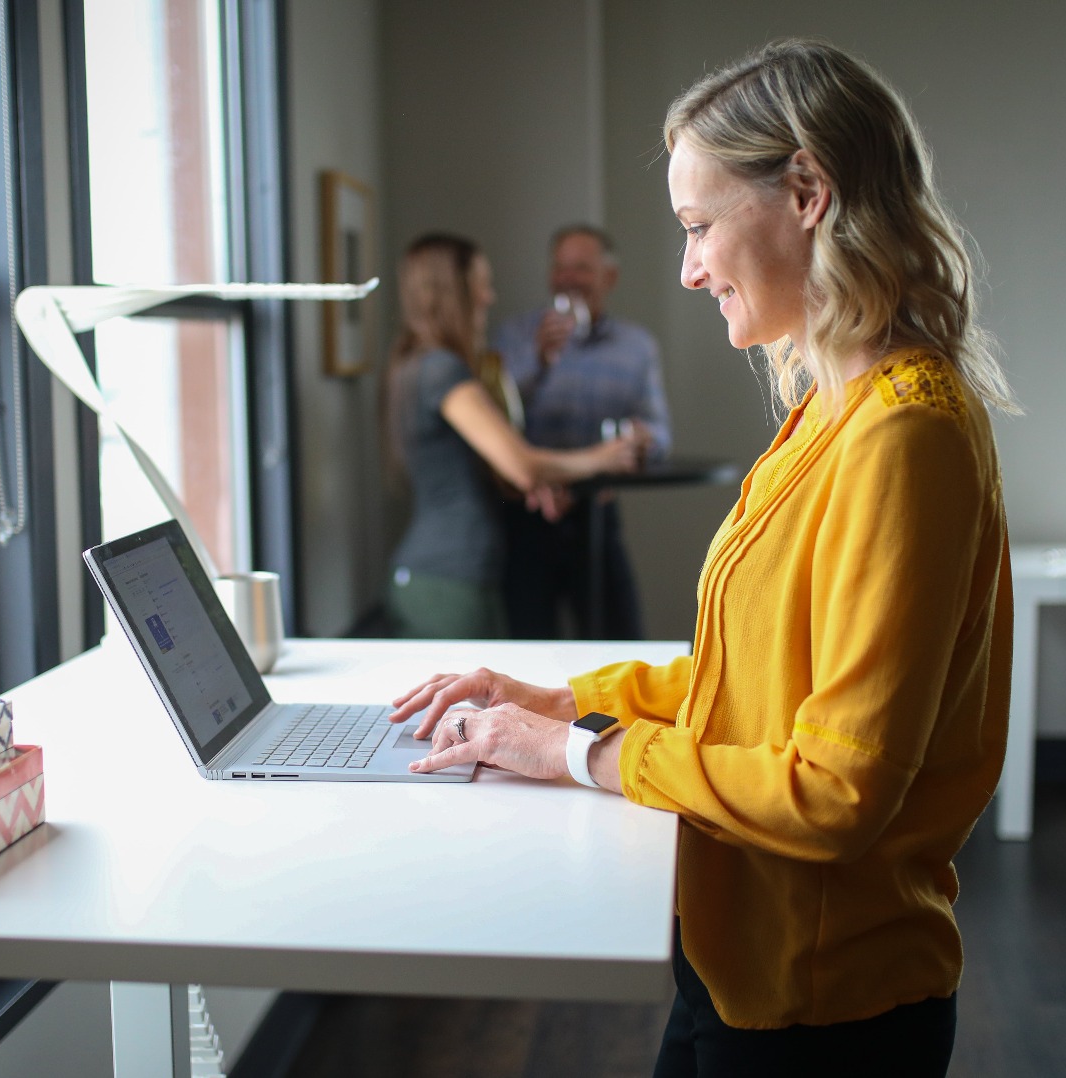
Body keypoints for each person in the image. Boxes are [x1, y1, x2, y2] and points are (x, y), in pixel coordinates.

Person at [387, 39, 1017, 1077]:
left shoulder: (904, 434)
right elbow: (753, 685)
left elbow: (834, 792)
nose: (688, 268)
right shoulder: (833, 409)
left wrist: (582, 756)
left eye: (697, 227)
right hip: (740, 968)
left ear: (807, 190)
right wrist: (555, 700)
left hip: (825, 1011)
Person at [383, 233, 641, 640]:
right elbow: (522, 464)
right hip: (449, 578)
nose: (489, 297)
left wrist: (536, 486)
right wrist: (604, 458)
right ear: (453, 292)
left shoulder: (420, 364)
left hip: (447, 575)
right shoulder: (442, 371)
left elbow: (486, 469)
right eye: (480, 284)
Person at [491, 226, 672, 639]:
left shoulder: (637, 346)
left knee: (620, 641)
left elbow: (660, 432)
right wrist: (536, 361)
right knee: (530, 647)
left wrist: (643, 443)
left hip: (596, 513)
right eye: (560, 268)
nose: (568, 279)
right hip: (527, 515)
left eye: (582, 268)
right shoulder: (516, 335)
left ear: (609, 278)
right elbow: (493, 418)